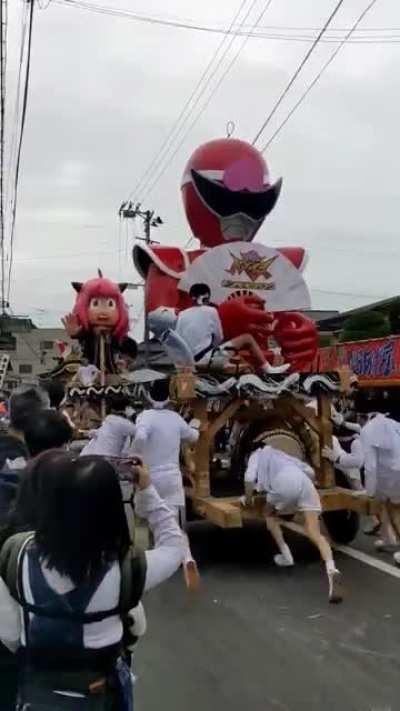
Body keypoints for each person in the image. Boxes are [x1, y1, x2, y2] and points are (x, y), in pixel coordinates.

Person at [0, 450, 184, 710]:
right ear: (111, 508)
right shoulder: (126, 567)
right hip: (100, 695)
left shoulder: (16, 554)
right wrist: (147, 490)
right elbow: (175, 546)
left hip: (37, 695)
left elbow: (8, 634)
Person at [0, 408, 73, 711]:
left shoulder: (12, 492)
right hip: (73, 665)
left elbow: (8, 632)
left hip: (18, 652)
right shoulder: (77, 496)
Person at [243, 441, 343, 603]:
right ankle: (331, 568)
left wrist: (248, 498)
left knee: (268, 513)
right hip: (304, 483)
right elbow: (309, 471)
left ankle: (286, 555)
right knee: (314, 532)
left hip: (282, 484)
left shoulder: (256, 455)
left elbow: (249, 478)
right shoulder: (280, 453)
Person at [133, 378, 201, 589]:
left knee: (148, 519)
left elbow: (141, 436)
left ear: (150, 396)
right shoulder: (175, 418)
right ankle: (187, 557)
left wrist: (134, 454)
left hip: (151, 476)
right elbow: (193, 437)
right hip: (172, 478)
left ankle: (156, 561)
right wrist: (195, 424)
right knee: (172, 523)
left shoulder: (145, 416)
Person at [175, 283, 289, 375]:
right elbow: (219, 337)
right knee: (247, 338)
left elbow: (178, 340)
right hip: (208, 360)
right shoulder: (210, 311)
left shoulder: (182, 315)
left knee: (239, 364)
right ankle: (268, 369)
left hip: (187, 364)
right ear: (207, 296)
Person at [360, 410, 400, 560]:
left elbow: (370, 467)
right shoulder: (392, 421)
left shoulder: (367, 430)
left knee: (394, 508)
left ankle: (391, 539)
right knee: (384, 504)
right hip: (393, 470)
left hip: (393, 472)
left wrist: (369, 492)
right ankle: (389, 538)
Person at [80, 395, 136, 459]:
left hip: (96, 457)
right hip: (109, 459)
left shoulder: (108, 419)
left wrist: (91, 432)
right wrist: (133, 415)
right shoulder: (122, 422)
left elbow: (103, 433)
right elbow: (138, 431)